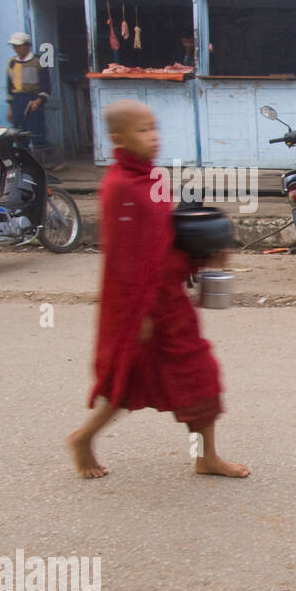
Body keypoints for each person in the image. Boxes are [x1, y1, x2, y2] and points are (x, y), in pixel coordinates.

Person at [66, 99, 248, 480]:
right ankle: (83, 438)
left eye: (154, 128)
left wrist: (203, 252)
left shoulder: (151, 179)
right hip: (142, 307)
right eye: (142, 130)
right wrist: (140, 314)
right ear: (118, 137)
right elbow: (125, 260)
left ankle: (205, 456)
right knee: (128, 381)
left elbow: (164, 240)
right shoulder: (118, 188)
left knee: (200, 379)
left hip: (168, 302)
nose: (153, 137)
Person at [7, 31, 51, 145]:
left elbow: (46, 84)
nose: (16, 49)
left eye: (19, 46)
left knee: (36, 131)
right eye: (14, 46)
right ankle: (22, 159)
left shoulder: (38, 61)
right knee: (19, 133)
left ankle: (40, 158)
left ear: (27, 45)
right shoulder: (12, 62)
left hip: (32, 100)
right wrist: (11, 108)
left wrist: (39, 100)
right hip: (17, 101)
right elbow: (10, 86)